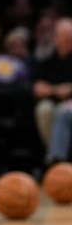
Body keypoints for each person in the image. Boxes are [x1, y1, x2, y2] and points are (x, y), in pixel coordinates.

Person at [33, 17, 72, 152]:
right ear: (56, 38)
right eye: (64, 37)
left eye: (69, 37)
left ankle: (57, 157)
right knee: (44, 109)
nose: (67, 40)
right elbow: (38, 88)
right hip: (55, 103)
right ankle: (56, 156)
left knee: (64, 111)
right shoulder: (48, 63)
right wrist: (58, 90)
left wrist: (55, 90)